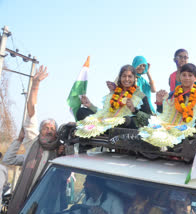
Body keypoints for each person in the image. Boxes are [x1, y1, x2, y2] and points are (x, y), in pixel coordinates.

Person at [3, 66, 65, 214]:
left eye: (52, 128)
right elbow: (31, 110)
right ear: (39, 131)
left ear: (57, 133)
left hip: (45, 201)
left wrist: (63, 152)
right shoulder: (32, 141)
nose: (49, 131)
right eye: (45, 127)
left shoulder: (60, 150)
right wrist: (35, 85)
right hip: (24, 198)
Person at [139, 63, 196, 148]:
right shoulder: (171, 95)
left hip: (190, 132)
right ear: (179, 77)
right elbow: (162, 115)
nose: (187, 78)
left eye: (190, 75)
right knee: (150, 121)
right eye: (184, 75)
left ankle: (186, 146)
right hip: (172, 128)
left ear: (195, 78)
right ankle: (174, 146)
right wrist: (159, 103)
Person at [75, 65, 152, 138]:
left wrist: (134, 110)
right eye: (124, 76)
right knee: (81, 112)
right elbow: (105, 113)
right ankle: (95, 137)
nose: (127, 79)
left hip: (128, 128)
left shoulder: (141, 96)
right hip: (109, 123)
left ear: (135, 78)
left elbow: (149, 120)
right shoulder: (115, 93)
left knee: (125, 120)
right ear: (120, 78)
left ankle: (101, 132)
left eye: (130, 76)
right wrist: (90, 105)